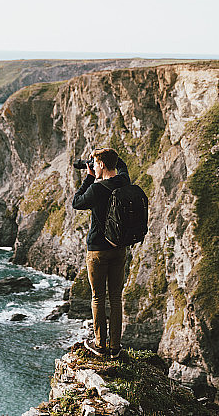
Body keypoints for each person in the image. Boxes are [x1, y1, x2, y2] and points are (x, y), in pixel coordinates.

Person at [72, 147, 130, 358]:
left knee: (98, 297)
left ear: (102, 165)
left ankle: (100, 345)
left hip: (98, 250)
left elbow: (76, 202)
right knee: (115, 297)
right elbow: (120, 165)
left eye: (96, 163)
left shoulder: (97, 189)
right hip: (119, 249)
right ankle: (115, 347)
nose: (93, 166)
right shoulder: (123, 181)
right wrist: (106, 158)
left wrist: (88, 177)